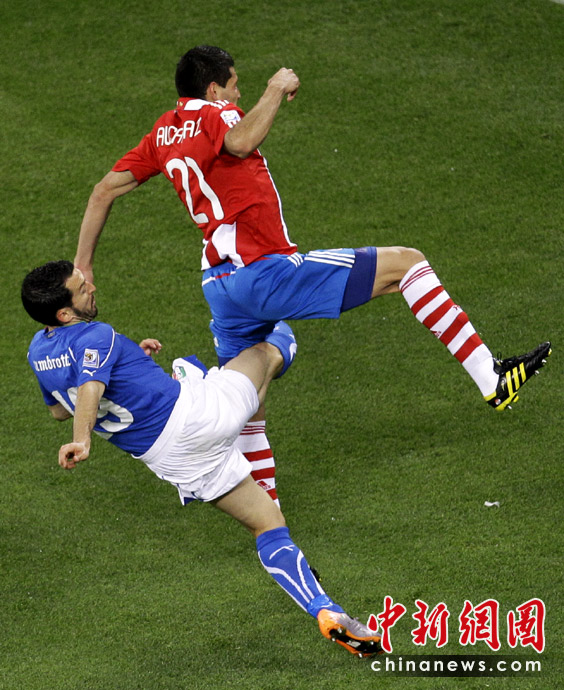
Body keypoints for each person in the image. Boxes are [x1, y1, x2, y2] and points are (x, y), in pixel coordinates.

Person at [75, 46, 551, 500]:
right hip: (263, 273)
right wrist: (276, 87)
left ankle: (267, 514)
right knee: (408, 264)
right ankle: (490, 378)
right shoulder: (218, 114)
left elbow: (102, 192)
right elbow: (240, 142)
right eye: (235, 85)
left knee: (250, 399)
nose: (239, 95)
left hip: (219, 286)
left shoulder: (163, 132)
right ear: (215, 89)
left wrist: (84, 265)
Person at [22, 260, 381, 658]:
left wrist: (129, 364)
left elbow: (60, 408)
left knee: (268, 525)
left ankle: (326, 611)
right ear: (65, 313)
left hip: (173, 461)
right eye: (81, 288)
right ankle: (250, 389)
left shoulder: (38, 352)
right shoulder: (96, 334)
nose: (91, 286)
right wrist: (82, 440)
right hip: (196, 419)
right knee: (271, 345)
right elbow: (90, 385)